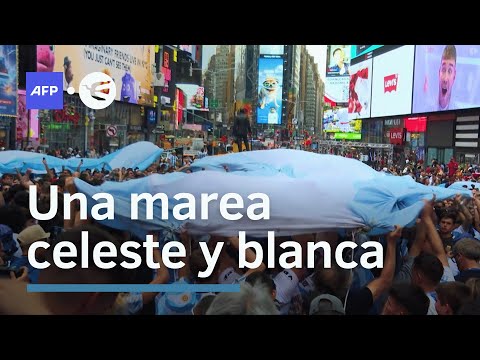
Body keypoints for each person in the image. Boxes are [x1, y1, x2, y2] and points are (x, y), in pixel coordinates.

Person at [437, 45, 457, 111]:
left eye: (450, 71)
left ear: (454, 76)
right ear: (439, 72)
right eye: (443, 70)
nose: (445, 79)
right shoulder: (425, 108)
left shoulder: (458, 110)